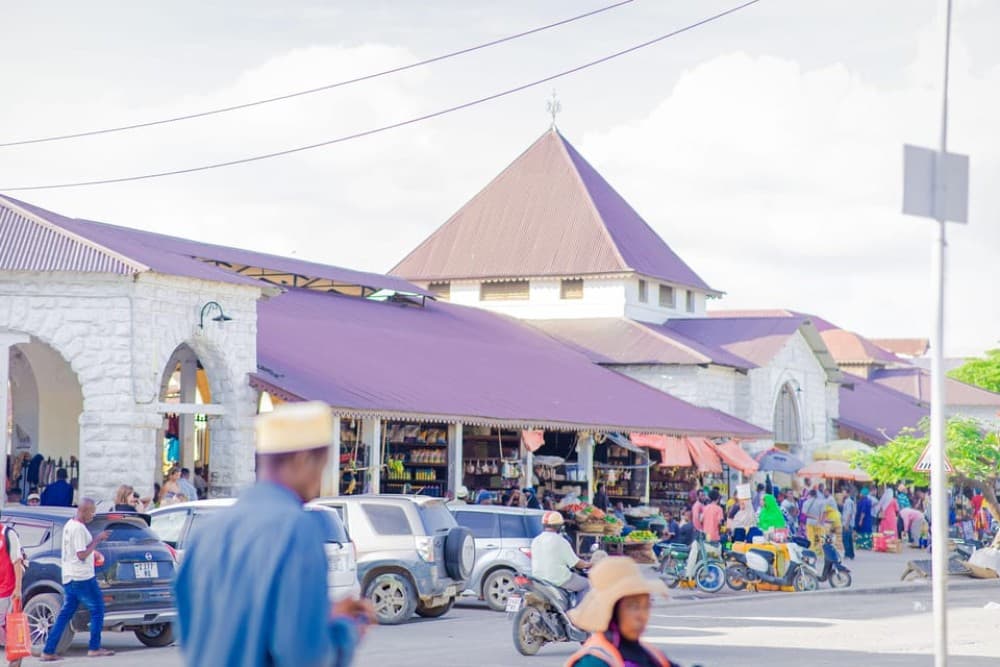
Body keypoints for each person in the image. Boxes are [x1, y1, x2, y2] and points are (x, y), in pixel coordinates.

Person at [174, 401, 373, 667]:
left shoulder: (208, 532)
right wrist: (348, 629)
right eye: (322, 466)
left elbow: (195, 635)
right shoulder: (296, 529)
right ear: (303, 459)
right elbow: (302, 655)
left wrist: (324, 616)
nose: (321, 480)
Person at [565, 557, 674, 667]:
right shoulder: (593, 662)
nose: (642, 616)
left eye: (646, 606)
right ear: (612, 611)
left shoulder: (652, 655)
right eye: (633, 606)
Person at [40, 498, 114, 660]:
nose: (93, 515)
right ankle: (94, 647)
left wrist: (92, 549)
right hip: (82, 577)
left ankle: (48, 650)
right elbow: (81, 554)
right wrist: (97, 539)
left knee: (65, 614)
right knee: (97, 609)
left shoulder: (69, 525)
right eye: (91, 512)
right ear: (84, 510)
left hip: (70, 576)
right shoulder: (79, 529)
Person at [530, 511, 591, 600]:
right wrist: (589, 564)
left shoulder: (535, 540)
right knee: (588, 585)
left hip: (538, 579)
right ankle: (578, 612)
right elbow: (576, 563)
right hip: (558, 580)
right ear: (559, 526)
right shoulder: (561, 541)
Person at [0, 517, 26, 667]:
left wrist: (18, 588)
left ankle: (15, 661)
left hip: (7, 590)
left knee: (12, 630)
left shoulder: (8, 534)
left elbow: (17, 560)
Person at [841, 487, 857, 559]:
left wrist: (847, 524)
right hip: (848, 522)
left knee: (846, 539)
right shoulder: (848, 501)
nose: (842, 494)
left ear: (847, 493)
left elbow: (849, 513)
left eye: (844, 492)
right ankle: (851, 554)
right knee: (849, 539)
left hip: (847, 523)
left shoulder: (848, 502)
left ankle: (847, 553)